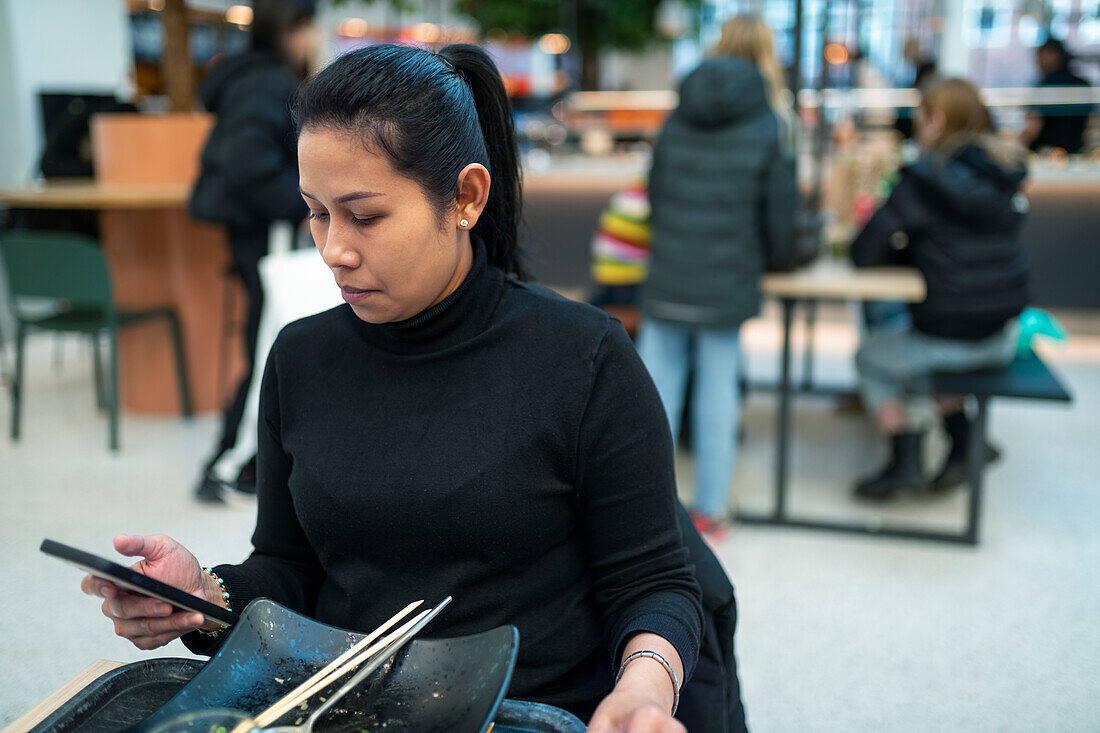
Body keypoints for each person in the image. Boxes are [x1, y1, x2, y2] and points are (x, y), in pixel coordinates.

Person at [80, 43, 745, 731]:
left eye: (364, 216)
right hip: (348, 711)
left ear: (466, 196)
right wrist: (204, 593)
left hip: (529, 712)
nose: (334, 248)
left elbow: (654, 581)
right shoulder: (301, 358)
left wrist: (644, 690)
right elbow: (289, 564)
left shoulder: (584, 357)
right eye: (316, 212)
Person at [638, 14, 798, 539]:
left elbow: (655, 194)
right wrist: (775, 258)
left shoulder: (679, 112)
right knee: (717, 391)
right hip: (728, 275)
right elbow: (779, 215)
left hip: (671, 269)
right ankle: (709, 511)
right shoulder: (772, 120)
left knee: (654, 393)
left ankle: (640, 512)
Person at [851, 79, 1029, 499]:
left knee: (872, 358)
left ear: (938, 121)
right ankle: (965, 442)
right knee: (919, 352)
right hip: (1004, 334)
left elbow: (865, 249)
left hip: (948, 336)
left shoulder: (924, 179)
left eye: (919, 119)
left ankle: (904, 459)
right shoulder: (1005, 173)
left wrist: (904, 254)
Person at [188, 0, 318, 502]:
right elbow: (247, 157)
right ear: (290, 29)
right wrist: (301, 204)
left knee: (268, 338)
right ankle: (226, 462)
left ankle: (249, 462)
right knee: (269, 343)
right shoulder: (268, 80)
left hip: (257, 228)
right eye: (307, 28)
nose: (311, 40)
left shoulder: (250, 74)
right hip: (268, 229)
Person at [1021, 38, 1093, 154]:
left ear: (1054, 55)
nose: (1037, 60)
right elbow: (1090, 124)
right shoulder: (1082, 84)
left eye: (1040, 55)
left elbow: (1033, 127)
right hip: (1075, 152)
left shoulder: (1044, 86)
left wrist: (1018, 145)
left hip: (1045, 153)